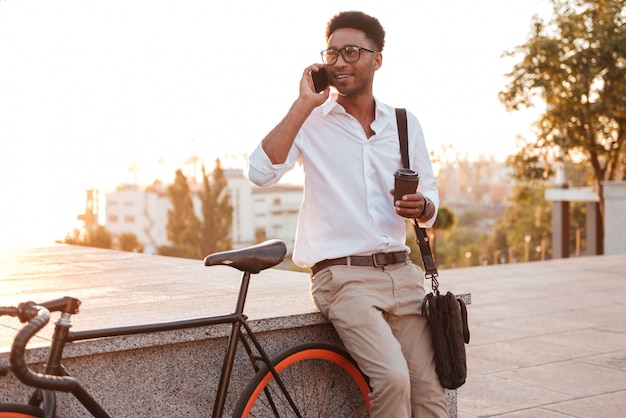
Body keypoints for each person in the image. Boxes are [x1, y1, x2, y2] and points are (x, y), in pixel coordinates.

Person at [247, 10, 448, 418]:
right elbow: (260, 173)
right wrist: (302, 104)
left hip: (401, 274)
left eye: (352, 51)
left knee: (430, 392)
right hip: (342, 277)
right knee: (393, 378)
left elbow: (430, 205)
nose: (340, 61)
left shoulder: (405, 124)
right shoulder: (311, 121)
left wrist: (421, 206)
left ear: (377, 59)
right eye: (333, 52)